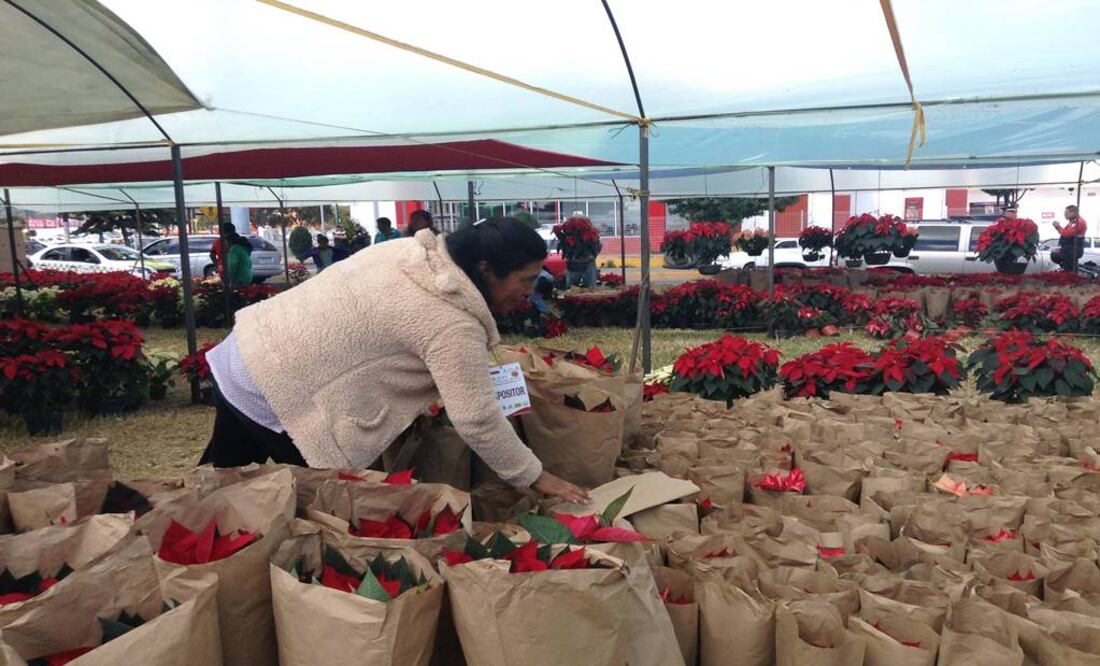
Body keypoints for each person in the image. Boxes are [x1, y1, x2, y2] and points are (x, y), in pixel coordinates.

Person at [199, 217, 588, 504]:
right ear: (486, 270)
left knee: (216, 485)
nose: (529, 291)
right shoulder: (452, 322)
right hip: (281, 395)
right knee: (326, 509)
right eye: (524, 279)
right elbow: (477, 418)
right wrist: (535, 477)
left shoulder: (410, 252)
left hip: (244, 355)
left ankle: (162, 527)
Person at [1053, 204, 1088, 272]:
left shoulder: (1079, 222)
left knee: (1069, 269)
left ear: (1073, 213)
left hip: (1072, 249)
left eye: (1066, 213)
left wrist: (1058, 227)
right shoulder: (1072, 222)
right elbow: (1065, 233)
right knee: (1055, 256)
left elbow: (1067, 234)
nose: (1064, 214)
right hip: (1068, 249)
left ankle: (1070, 276)